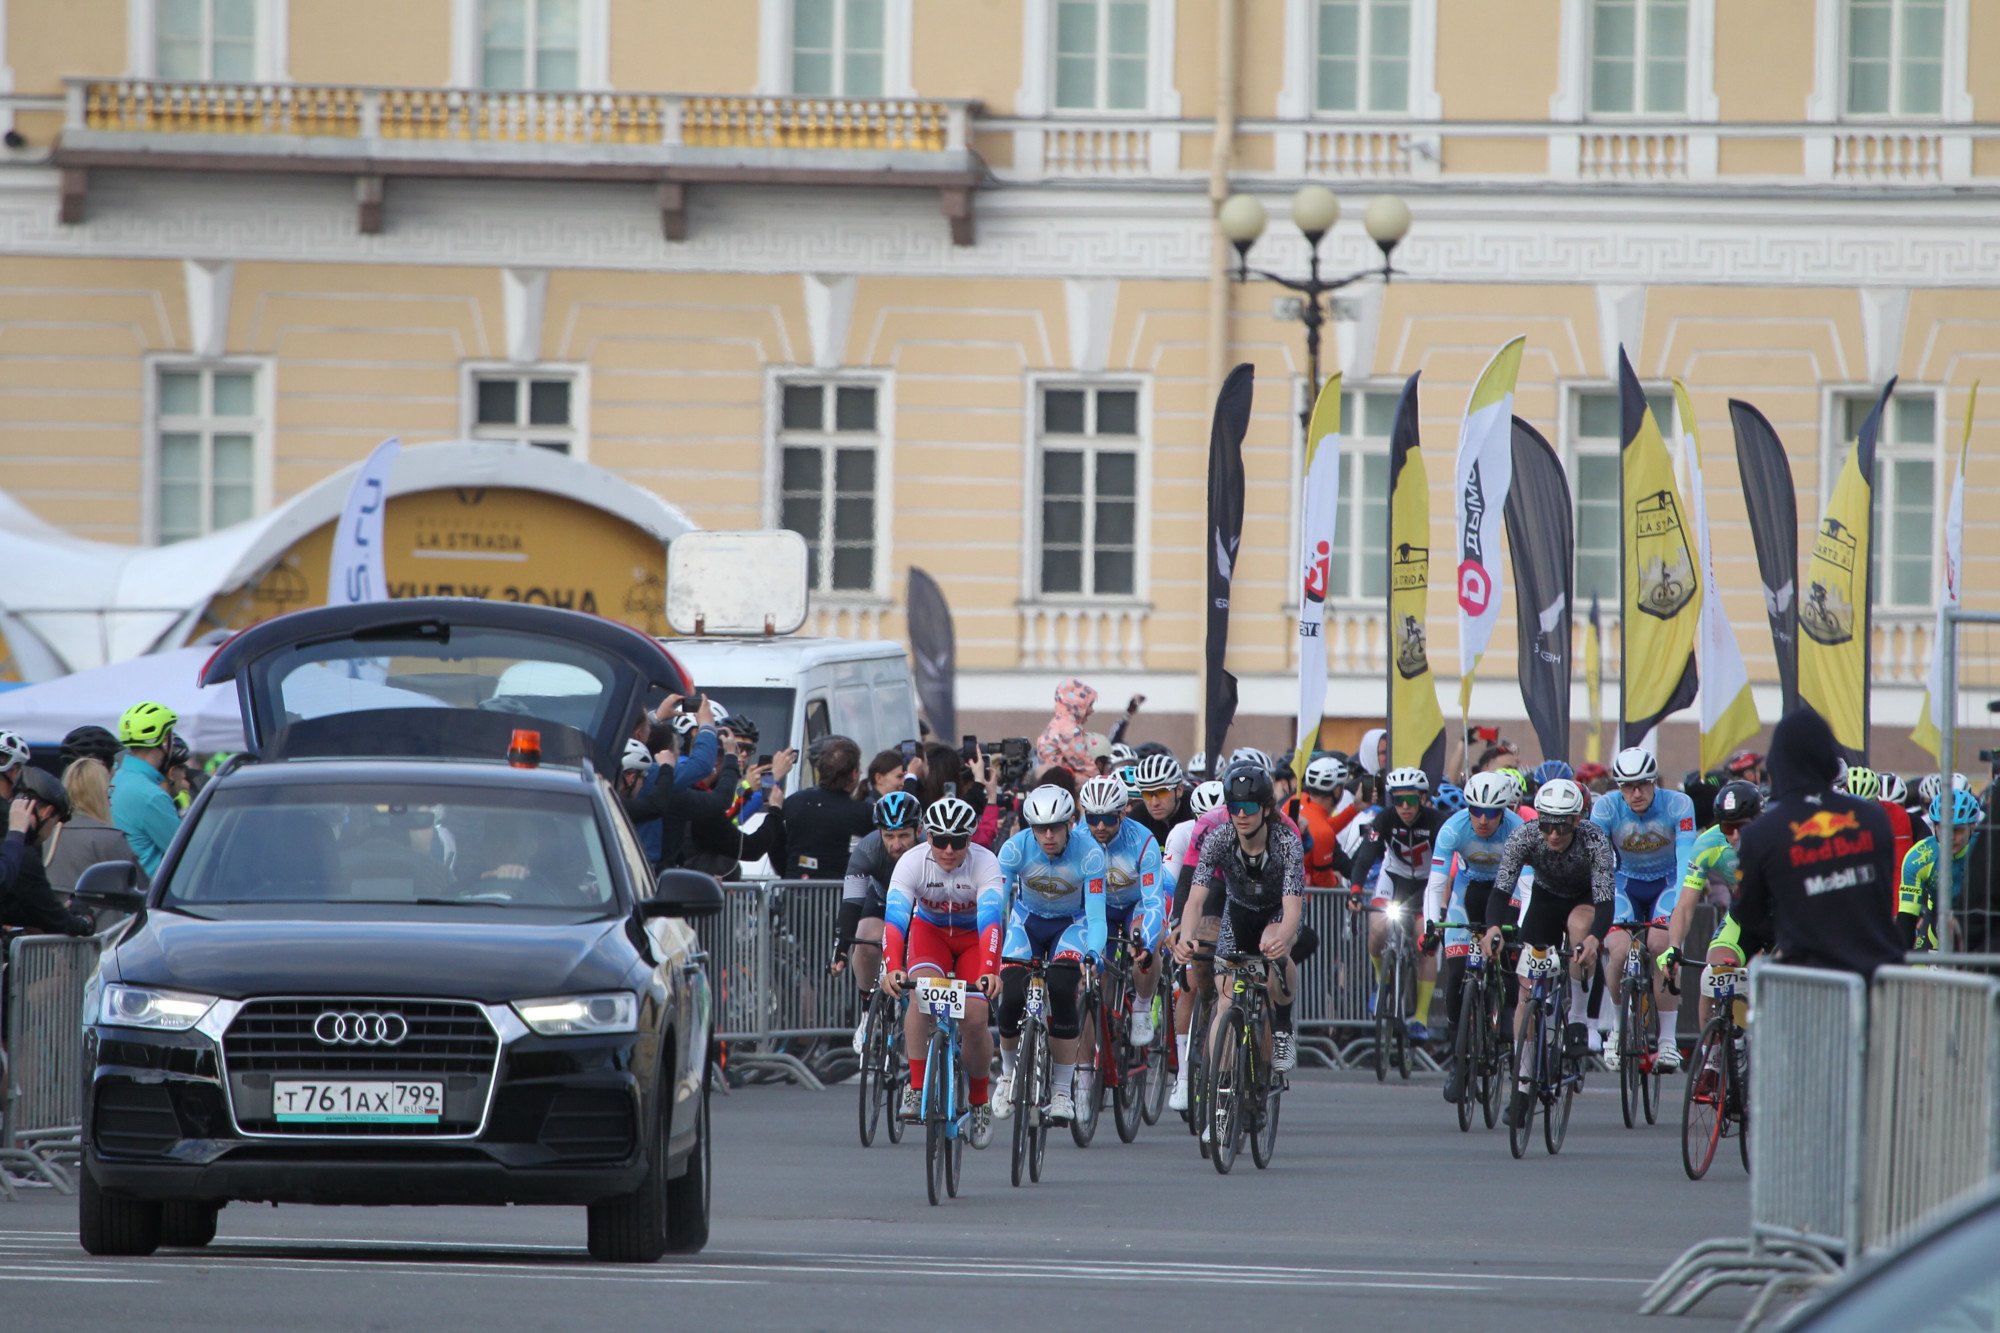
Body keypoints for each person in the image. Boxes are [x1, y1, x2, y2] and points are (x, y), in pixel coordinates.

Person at [1731, 706, 1901, 979]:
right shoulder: (1873, 818)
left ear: (1777, 762)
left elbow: (1747, 913)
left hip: (1812, 990)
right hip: (1879, 980)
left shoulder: (1762, 833)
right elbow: (1881, 889)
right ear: (1830, 759)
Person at [1485, 777, 1615, 1128]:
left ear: (1576, 820)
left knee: (1577, 932)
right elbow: (1501, 891)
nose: (1553, 834)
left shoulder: (1594, 841)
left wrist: (1593, 939)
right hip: (1544, 899)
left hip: (1584, 900)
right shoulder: (1526, 836)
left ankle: (1576, 1022)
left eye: (1561, 826)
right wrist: (1494, 927)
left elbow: (1605, 903)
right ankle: (1523, 1085)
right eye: (1546, 825)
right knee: (1527, 987)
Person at [879, 796, 1005, 1147]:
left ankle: (979, 1101)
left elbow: (991, 922)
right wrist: (893, 968)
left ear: (970, 840)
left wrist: (989, 970)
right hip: (930, 934)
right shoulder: (910, 863)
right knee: (921, 999)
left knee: (976, 1017)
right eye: (940, 841)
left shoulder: (985, 863)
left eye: (958, 842)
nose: (949, 850)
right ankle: (917, 1086)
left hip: (972, 940)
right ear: (928, 837)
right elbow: (895, 921)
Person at [1173, 763, 1309, 1087]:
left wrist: (1283, 940)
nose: (1241, 815)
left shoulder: (1286, 843)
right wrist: (1186, 938)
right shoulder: (1218, 839)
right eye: (1234, 807)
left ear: (1265, 809)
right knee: (1225, 1001)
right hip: (1238, 912)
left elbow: (1292, 908)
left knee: (1274, 947)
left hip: (1277, 913)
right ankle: (1217, 1093)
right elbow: (1195, 900)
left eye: (1248, 807)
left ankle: (1282, 1030)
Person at [991, 785, 1107, 1125]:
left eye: (1055, 826)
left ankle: (1060, 1091)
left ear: (1070, 823)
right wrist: (990, 946)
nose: (1048, 835)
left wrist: (1093, 954)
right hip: (1026, 923)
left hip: (1071, 926)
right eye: (1040, 828)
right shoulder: (1014, 849)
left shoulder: (1090, 854)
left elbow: (1097, 916)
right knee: (1010, 993)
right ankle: (1009, 1074)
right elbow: (996, 907)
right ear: (1030, 826)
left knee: (1060, 987)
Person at [1424, 769, 1524, 1101]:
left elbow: (1526, 884)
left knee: (1509, 957)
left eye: (1491, 812)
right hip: (1468, 891)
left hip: (1506, 892)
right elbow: (1437, 881)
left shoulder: (1517, 829)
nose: (1482, 819)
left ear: (1504, 810)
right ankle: (1459, 1056)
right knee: (1455, 974)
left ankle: (1508, 1019)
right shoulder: (1453, 828)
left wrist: (1521, 923)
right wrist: (1431, 923)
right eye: (1476, 811)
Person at [1590, 747, 1696, 1061]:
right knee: (1619, 950)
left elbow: (1685, 858)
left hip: (1667, 880)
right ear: (1618, 788)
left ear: (1654, 781)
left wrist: (1677, 909)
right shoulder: (1606, 808)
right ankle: (1617, 1029)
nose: (1636, 793)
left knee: (1661, 946)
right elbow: (1600, 863)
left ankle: (1666, 1042)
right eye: (1627, 786)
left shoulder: (1679, 804)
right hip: (1624, 882)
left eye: (1642, 785)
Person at [1348, 767, 1449, 1042]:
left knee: (1425, 942)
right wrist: (1355, 891)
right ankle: (1383, 980)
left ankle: (1420, 1017)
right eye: (1398, 800)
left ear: (1423, 798)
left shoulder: (1438, 821)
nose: (1405, 806)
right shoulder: (1384, 818)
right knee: (1378, 929)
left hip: (1427, 885)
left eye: (1412, 800)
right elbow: (1366, 855)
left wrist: (1441, 904)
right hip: (1393, 879)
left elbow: (1451, 866)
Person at [1658, 780, 1762, 1039]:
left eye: (1742, 826)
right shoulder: (1708, 843)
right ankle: (1711, 1061)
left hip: (1784, 920)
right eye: (1728, 827)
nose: (1735, 835)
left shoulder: (1779, 836)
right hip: (1744, 918)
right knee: (1713, 975)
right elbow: (1684, 906)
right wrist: (1674, 946)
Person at [1077, 775, 1167, 1047]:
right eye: (1093, 818)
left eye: (1109, 819)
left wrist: (1147, 944)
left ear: (1123, 813)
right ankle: (1085, 1080)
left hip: (1135, 904)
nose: (1100, 826)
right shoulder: (1077, 840)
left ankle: (1141, 1005)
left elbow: (1154, 903)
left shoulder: (1142, 840)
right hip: (1098, 906)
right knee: (1091, 977)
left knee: (1142, 941)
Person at [835, 789, 922, 1046]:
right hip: (883, 902)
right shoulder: (868, 849)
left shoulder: (933, 845)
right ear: (879, 833)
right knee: (864, 941)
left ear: (918, 830)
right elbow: (852, 901)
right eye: (889, 836)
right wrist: (840, 949)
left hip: (922, 907)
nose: (897, 844)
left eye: (904, 835)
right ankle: (866, 1012)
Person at [1, 766, 94, 937]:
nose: (50, 831)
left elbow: (9, 909)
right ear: (47, 812)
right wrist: (86, 923)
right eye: (55, 823)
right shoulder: (22, 854)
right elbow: (60, 922)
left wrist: (51, 913)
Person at [775, 735, 875, 881]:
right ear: (854, 774)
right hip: (836, 897)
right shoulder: (859, 812)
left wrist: (789, 873)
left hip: (794, 891)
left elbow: (775, 842)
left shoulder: (793, 802)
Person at [1899, 787, 1983, 952]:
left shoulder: (1987, 850)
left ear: (1972, 828)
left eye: (1958, 830)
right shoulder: (1919, 857)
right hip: (1937, 917)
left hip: (1979, 918)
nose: (1951, 837)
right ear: (1935, 827)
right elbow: (1907, 918)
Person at [43, 757, 140, 898]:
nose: (110, 803)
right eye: (108, 793)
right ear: (99, 795)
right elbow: (143, 891)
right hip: (106, 920)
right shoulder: (109, 838)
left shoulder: (47, 834)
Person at [108, 702, 183, 876]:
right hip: (146, 892)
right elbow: (185, 853)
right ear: (165, 742)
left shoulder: (114, 779)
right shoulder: (151, 795)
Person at [1293, 755, 1360, 888]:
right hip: (1308, 901)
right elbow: (1323, 879)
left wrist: (1355, 808)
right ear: (1336, 790)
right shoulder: (1323, 832)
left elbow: (1323, 827)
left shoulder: (1295, 800)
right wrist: (1337, 880)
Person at [1033, 678, 1100, 782]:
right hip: (1062, 783)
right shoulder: (1069, 729)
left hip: (1050, 781)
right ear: (1077, 704)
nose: (1092, 710)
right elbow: (1085, 764)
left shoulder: (1056, 723)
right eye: (1089, 705)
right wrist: (1101, 781)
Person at [1126, 752, 1188, 847]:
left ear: (1179, 790)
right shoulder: (1137, 819)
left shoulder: (1194, 811)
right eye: (1147, 794)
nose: (1155, 803)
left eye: (1162, 792)